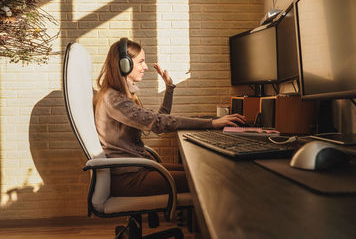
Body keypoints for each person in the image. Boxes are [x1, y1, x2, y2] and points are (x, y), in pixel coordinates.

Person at [93, 38, 246, 197]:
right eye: (141, 62)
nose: (145, 67)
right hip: (129, 179)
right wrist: (212, 123)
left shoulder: (116, 96)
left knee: (199, 170)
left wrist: (169, 88)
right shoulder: (115, 100)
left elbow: (157, 120)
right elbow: (159, 123)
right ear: (124, 65)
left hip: (137, 169)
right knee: (208, 178)